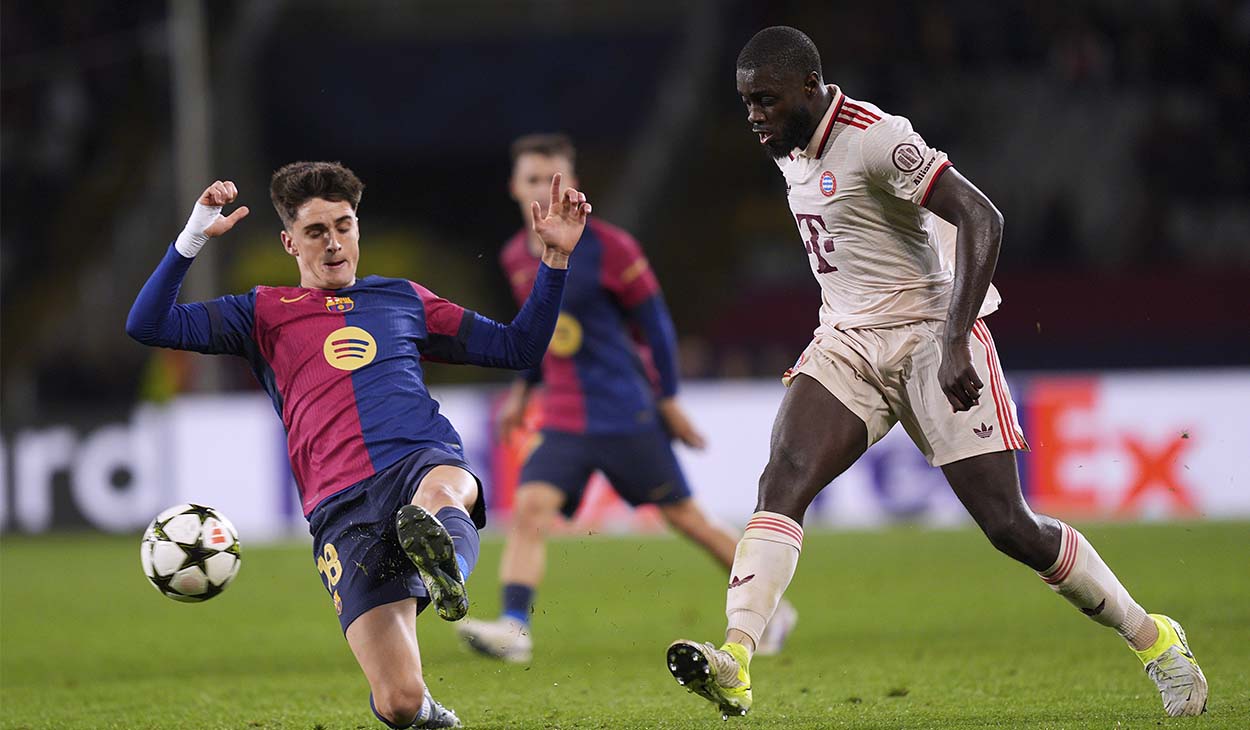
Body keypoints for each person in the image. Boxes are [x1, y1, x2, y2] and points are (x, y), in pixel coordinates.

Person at [665, 26, 1207, 720]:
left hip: (931, 337)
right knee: (782, 477)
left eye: (766, 101)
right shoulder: (787, 143)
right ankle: (734, 659)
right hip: (848, 342)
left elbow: (983, 216)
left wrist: (954, 339)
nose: (755, 118)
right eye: (746, 104)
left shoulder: (878, 137)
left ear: (809, 87)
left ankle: (1154, 638)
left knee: (1010, 526)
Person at [127, 162, 591, 728]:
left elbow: (519, 348)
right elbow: (149, 325)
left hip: (414, 458)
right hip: (341, 509)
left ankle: (446, 571)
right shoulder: (261, 313)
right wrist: (195, 232)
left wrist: (556, 260)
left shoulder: (404, 299)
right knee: (397, 702)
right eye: (316, 232)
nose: (333, 244)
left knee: (444, 488)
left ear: (358, 229)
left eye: (344, 226)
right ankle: (427, 704)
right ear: (289, 242)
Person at [455, 134, 796, 663]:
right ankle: (515, 627)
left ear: (574, 184)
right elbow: (537, 331)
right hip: (564, 415)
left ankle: (772, 605)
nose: (544, 190)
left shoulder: (612, 248)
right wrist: (525, 389)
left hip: (624, 410)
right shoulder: (513, 256)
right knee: (528, 509)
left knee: (687, 519)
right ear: (513, 187)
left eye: (556, 178)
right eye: (532, 180)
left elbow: (656, 327)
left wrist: (669, 397)